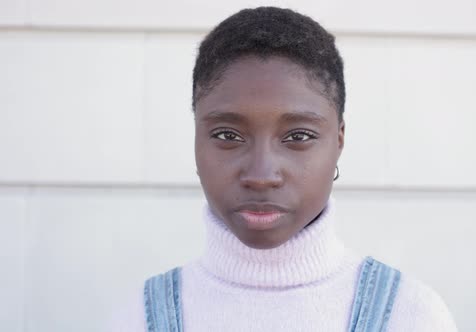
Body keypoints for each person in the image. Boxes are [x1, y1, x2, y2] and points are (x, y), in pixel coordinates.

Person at [109, 6, 457, 332]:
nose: (261, 174)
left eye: (298, 136)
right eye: (228, 135)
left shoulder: (410, 315)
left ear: (339, 141)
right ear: (196, 138)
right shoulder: (137, 317)